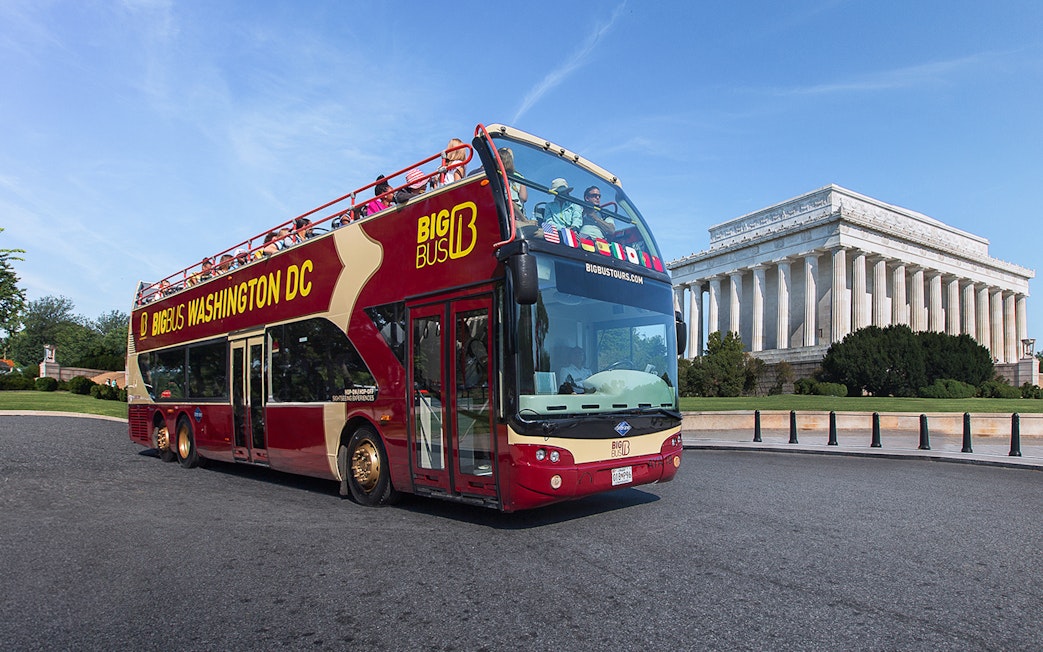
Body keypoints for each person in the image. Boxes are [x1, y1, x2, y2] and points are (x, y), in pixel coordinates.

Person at [498, 147, 529, 220]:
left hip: (500, 209)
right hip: (515, 213)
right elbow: (523, 197)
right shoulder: (519, 176)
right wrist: (524, 220)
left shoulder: (495, 174)